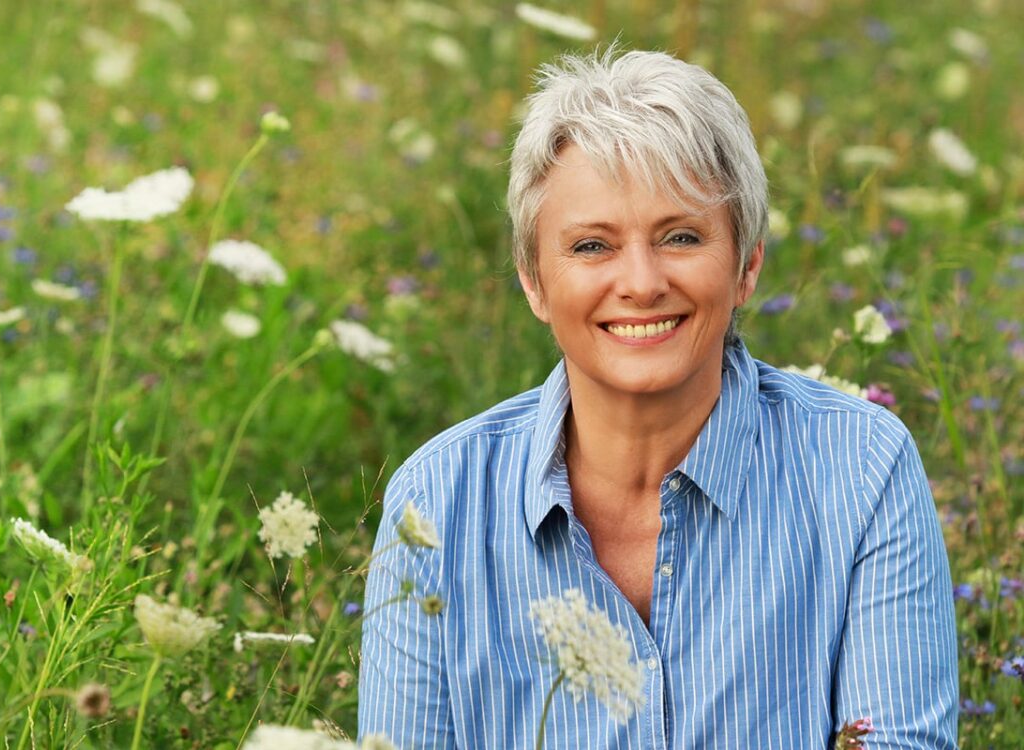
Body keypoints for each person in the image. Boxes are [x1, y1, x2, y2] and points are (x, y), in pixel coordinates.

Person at [358, 49, 957, 749]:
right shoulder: (435, 502)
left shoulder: (862, 471)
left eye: (680, 237)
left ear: (747, 265)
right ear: (533, 281)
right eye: (591, 246)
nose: (641, 283)